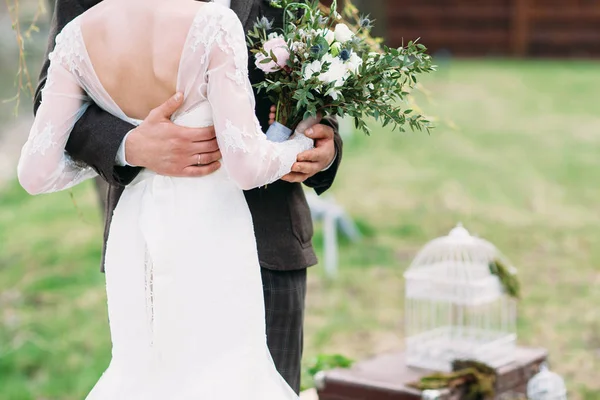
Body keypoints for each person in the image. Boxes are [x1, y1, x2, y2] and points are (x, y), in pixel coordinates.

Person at [19, 0, 343, 397]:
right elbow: (51, 108)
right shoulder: (215, 23)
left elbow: (316, 74)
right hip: (163, 249)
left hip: (264, 241)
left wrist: (322, 147)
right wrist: (127, 147)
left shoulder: (81, 35)